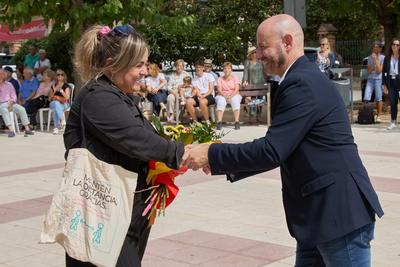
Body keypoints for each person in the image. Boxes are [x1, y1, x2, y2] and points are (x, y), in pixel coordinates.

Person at [182, 14, 383, 266]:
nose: (258, 55)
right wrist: (221, 161)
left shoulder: (301, 83)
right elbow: (281, 148)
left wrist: (211, 153)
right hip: (318, 215)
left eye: (263, 47)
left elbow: (272, 151)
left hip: (337, 216)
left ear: (287, 42)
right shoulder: (298, 78)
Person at [64, 24, 184, 267]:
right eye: (139, 65)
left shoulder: (118, 95)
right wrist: (185, 153)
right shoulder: (98, 98)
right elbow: (137, 140)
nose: (145, 71)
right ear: (113, 64)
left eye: (146, 64)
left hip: (123, 214)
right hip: (101, 216)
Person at [0, 68, 34, 137]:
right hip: (1, 104)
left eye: (3, 74)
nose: (2, 76)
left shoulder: (9, 84)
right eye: (1, 74)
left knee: (21, 109)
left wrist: (11, 102)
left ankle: (27, 129)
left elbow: (14, 95)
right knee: (4, 109)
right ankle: (11, 130)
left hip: (10, 103)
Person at [215, 62, 242, 130]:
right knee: (221, 101)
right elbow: (219, 90)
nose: (226, 70)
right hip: (222, 95)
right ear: (223, 70)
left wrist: (230, 96)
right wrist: (225, 96)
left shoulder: (235, 78)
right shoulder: (220, 79)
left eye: (228, 68)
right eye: (225, 68)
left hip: (234, 94)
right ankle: (219, 122)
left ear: (231, 70)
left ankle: (237, 122)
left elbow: (236, 89)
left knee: (235, 101)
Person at [242, 46, 267, 118]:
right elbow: (245, 73)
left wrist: (266, 82)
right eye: (253, 52)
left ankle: (259, 115)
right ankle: (252, 115)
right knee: (252, 100)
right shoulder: (247, 62)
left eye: (256, 52)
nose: (255, 54)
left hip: (261, 84)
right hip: (251, 84)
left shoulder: (261, 61)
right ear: (251, 54)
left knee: (260, 100)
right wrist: (245, 81)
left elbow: (265, 72)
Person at [364, 41, 385, 122]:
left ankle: (378, 116)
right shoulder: (369, 57)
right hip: (370, 79)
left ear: (380, 49)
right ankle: (367, 114)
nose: (375, 49)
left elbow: (379, 70)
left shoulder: (383, 58)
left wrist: (376, 59)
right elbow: (369, 71)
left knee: (378, 97)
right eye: (374, 47)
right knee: (366, 96)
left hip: (378, 79)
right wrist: (374, 64)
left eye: (377, 47)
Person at [382, 38, 400, 130]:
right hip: (391, 82)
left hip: (399, 81)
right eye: (394, 44)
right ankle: (393, 121)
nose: (395, 46)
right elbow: (384, 71)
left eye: (397, 45)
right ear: (391, 46)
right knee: (393, 102)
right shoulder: (387, 58)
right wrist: (384, 85)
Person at [48, 69, 70, 135]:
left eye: (61, 75)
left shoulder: (66, 86)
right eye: (58, 75)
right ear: (56, 76)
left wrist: (62, 92)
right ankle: (62, 119)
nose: (60, 76)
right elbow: (49, 99)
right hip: (53, 103)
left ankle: (56, 128)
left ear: (64, 76)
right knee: (55, 103)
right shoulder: (53, 85)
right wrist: (54, 91)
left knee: (55, 109)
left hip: (64, 104)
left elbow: (67, 98)